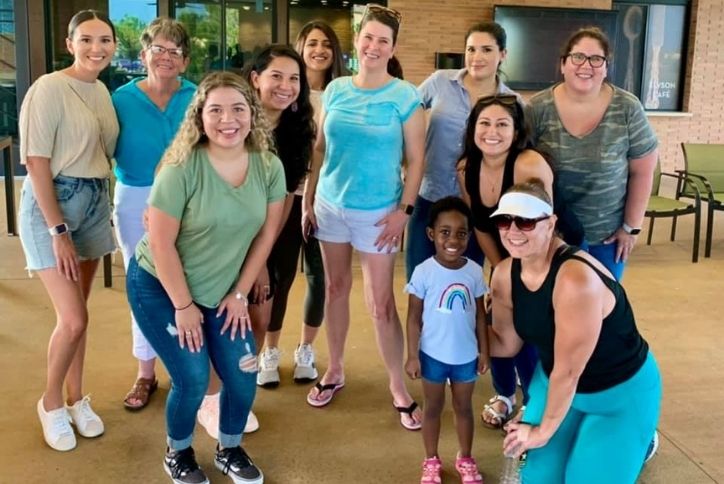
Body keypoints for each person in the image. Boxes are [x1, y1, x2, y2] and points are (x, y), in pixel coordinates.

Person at [125, 71, 285, 484]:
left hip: (222, 293)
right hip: (160, 287)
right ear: (200, 117)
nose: (227, 119)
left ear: (252, 115)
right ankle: (177, 453)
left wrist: (239, 293)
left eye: (237, 108)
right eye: (215, 109)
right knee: (193, 377)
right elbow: (160, 245)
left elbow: (267, 235)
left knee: (244, 369)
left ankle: (229, 448)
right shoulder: (181, 169)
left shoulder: (269, 166)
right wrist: (183, 306)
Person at [302, 3, 426, 431]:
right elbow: (320, 149)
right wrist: (307, 199)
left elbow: (417, 160)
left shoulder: (404, 97)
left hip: (378, 214)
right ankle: (335, 370)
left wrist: (403, 213)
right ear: (358, 40)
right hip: (330, 206)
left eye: (383, 41)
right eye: (368, 37)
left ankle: (398, 386)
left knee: (380, 304)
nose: (374, 46)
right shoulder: (335, 89)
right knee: (335, 287)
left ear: (393, 48)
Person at [488, 180, 661, 483]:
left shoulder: (575, 280)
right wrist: (446, 331)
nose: (513, 231)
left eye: (526, 221)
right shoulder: (504, 274)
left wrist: (542, 431)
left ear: (551, 223)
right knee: (539, 478)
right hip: (555, 382)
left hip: (617, 393)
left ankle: (639, 438)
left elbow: (569, 371)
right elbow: (505, 344)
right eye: (505, 220)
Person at [196, 44, 315, 436]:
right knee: (219, 313)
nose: (285, 86)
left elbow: (284, 199)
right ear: (255, 79)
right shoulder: (232, 121)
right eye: (276, 76)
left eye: (294, 78)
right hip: (221, 229)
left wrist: (261, 259)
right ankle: (209, 397)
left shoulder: (300, 131)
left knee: (259, 315)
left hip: (274, 233)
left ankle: (236, 391)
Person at [18, 10, 118, 452]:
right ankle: (51, 402)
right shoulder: (49, 88)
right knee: (71, 318)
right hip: (53, 203)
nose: (97, 48)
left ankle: (78, 398)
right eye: (87, 40)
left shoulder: (101, 91)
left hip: (96, 198)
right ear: (69, 43)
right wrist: (57, 227)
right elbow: (35, 162)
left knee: (82, 315)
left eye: (105, 40)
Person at [248, 22, 348, 388]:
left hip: (319, 201)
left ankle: (302, 349)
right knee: (272, 281)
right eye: (311, 43)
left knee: (310, 279)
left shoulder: (337, 96)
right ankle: (266, 352)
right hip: (267, 211)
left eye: (326, 44)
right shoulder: (248, 115)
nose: (319, 50)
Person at [458, 94, 560, 429]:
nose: (492, 131)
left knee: (532, 331)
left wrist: (519, 277)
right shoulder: (466, 167)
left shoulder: (528, 164)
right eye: (484, 123)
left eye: (502, 124)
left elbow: (541, 227)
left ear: (516, 132)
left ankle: (536, 407)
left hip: (549, 254)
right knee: (497, 322)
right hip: (508, 254)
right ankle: (504, 395)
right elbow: (481, 223)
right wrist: (502, 274)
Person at [526, 27, 658, 281]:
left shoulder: (627, 108)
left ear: (606, 67)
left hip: (606, 240)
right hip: (551, 237)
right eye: (577, 57)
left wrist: (631, 228)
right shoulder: (538, 108)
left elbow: (642, 172)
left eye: (596, 59)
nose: (586, 65)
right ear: (563, 64)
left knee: (602, 312)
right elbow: (521, 171)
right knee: (553, 311)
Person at [112, 16, 196, 411]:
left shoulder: (197, 96)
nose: (166, 57)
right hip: (134, 197)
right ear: (143, 54)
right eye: (158, 49)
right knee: (141, 282)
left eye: (175, 51)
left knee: (188, 283)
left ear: (185, 61)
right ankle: (146, 373)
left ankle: (192, 371)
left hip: (186, 198)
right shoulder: (120, 99)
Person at [407, 21, 514, 281]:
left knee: (468, 283)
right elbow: (405, 112)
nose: (477, 58)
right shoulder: (439, 81)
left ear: (502, 55)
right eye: (471, 49)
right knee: (419, 279)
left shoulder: (512, 102)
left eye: (487, 50)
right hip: (430, 197)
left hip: (477, 206)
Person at [405, 196, 488, 484]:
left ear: (469, 235)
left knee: (464, 409)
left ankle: (465, 457)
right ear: (431, 234)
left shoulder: (475, 272)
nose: (453, 239)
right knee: (433, 408)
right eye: (445, 232)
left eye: (461, 233)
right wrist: (413, 355)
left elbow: (480, 316)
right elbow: (413, 317)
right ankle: (431, 460)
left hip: (466, 356)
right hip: (432, 356)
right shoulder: (423, 272)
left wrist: (484, 352)